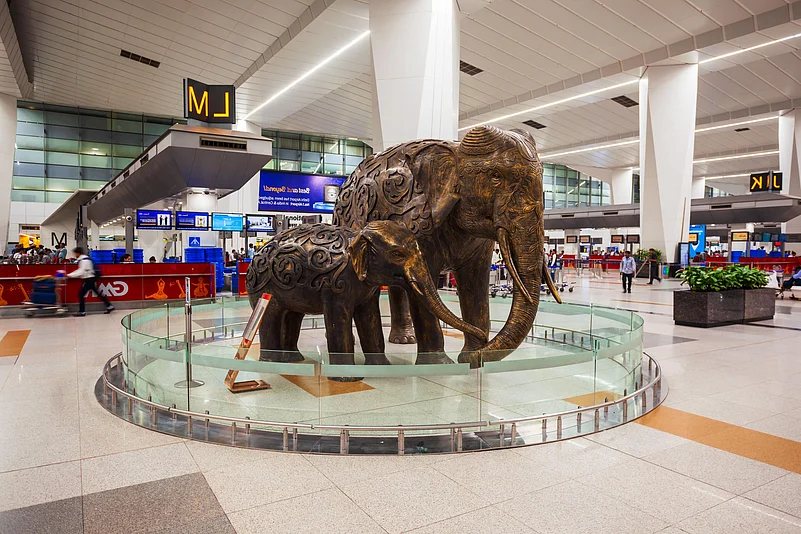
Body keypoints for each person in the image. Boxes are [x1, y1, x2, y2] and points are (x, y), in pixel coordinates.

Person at [67, 247, 114, 316]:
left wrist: (69, 275)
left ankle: (82, 311)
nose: (74, 255)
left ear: (77, 253)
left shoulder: (84, 260)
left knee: (81, 294)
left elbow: (81, 271)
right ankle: (109, 306)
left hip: (88, 279)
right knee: (98, 293)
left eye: (75, 253)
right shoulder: (86, 259)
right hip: (91, 278)